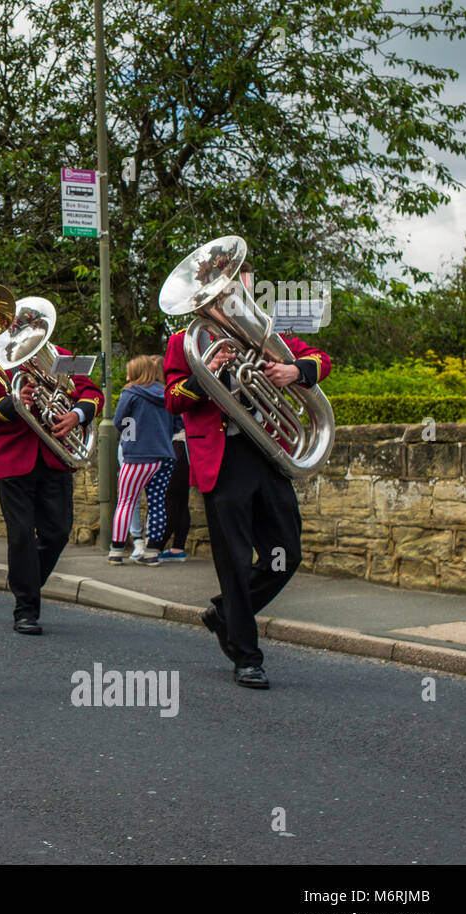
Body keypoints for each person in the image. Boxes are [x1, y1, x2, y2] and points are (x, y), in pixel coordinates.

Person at [164, 261, 331, 689]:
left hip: (268, 452)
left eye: (237, 283)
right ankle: (246, 655)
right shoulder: (186, 341)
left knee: (286, 556)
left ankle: (226, 615)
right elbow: (173, 398)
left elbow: (320, 359)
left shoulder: (261, 330)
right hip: (223, 459)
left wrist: (295, 371)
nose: (231, 293)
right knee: (234, 561)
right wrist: (207, 375)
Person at [0, 338, 102, 634]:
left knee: (58, 532)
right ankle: (25, 609)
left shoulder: (61, 354)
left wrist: (75, 414)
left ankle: (26, 584)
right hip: (13, 460)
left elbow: (93, 393)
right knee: (21, 536)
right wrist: (16, 402)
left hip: (55, 455)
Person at [109, 355, 176, 567]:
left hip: (138, 456)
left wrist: (132, 435)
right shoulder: (166, 394)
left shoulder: (130, 393)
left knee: (126, 501)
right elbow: (178, 424)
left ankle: (116, 550)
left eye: (130, 371)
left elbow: (119, 421)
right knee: (157, 504)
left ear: (137, 372)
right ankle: (153, 551)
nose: (127, 376)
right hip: (164, 456)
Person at [161, 416, 190, 561]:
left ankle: (156, 547)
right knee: (182, 500)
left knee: (169, 499)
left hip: (176, 445)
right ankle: (178, 547)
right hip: (188, 447)